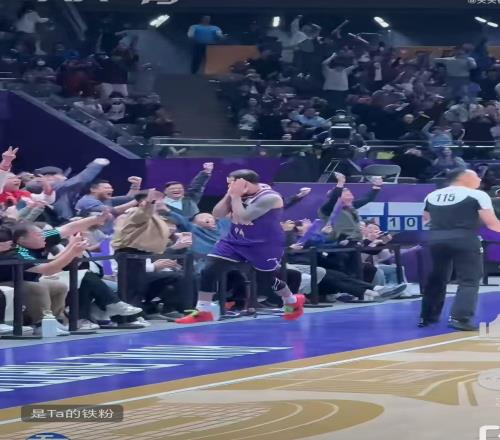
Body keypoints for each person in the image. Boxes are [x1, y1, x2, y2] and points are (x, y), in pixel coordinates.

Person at [176, 169, 305, 324]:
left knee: (266, 278)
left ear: (244, 183)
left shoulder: (270, 197)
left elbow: (244, 217)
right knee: (209, 267)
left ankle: (291, 300)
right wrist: (229, 195)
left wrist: (236, 196)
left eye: (231, 183)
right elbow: (217, 214)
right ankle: (204, 310)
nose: (229, 186)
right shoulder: (235, 193)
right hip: (236, 239)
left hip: (264, 244)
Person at [420, 168, 500, 331]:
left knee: (437, 278)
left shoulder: (432, 195)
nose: (479, 180)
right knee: (469, 280)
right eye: (476, 177)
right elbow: (492, 224)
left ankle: (427, 317)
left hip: (436, 240)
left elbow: (426, 220)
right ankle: (460, 318)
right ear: (464, 178)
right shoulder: (477, 195)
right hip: (465, 239)